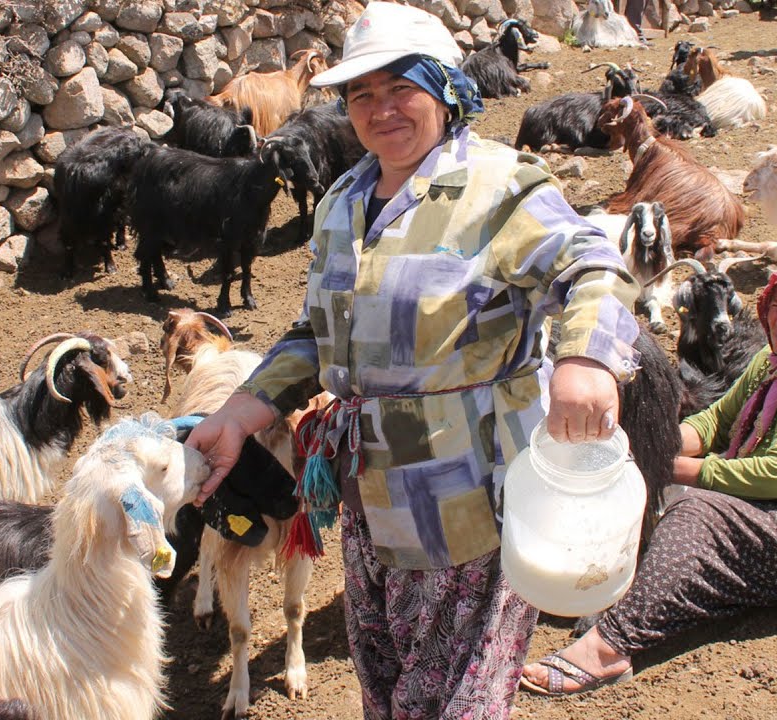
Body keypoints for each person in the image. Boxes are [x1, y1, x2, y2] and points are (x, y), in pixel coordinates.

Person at [183, 3, 642, 717]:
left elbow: (596, 266)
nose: (381, 109)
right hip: (371, 502)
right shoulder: (342, 201)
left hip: (471, 505)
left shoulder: (500, 187)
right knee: (388, 690)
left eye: (402, 87)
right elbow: (317, 332)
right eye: (361, 93)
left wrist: (587, 358)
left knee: (453, 702)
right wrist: (243, 411)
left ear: (446, 90)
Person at [520, 259, 777, 697]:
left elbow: (774, 475)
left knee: (696, 516)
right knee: (675, 505)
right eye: (776, 307)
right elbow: (715, 422)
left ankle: (609, 648)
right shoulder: (776, 363)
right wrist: (650, 446)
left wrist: (661, 466)